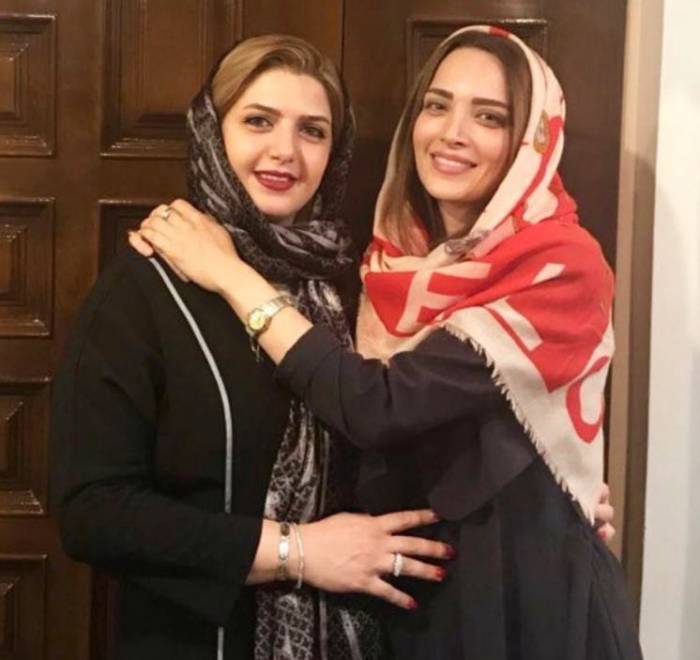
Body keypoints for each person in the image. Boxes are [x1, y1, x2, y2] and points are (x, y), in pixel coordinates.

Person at [131, 26, 640, 659]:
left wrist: (232, 276)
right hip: (405, 602)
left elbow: (380, 405)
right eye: (437, 105)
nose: (453, 132)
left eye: (489, 117)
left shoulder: (560, 265)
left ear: (533, 142)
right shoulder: (385, 266)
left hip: (520, 596)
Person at [52, 34, 458, 660]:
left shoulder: (362, 287)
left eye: (312, 131)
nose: (285, 151)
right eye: (258, 121)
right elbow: (93, 512)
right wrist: (299, 552)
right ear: (213, 133)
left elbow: (421, 427)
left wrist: (550, 500)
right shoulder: (143, 289)